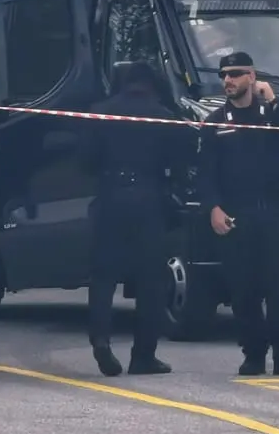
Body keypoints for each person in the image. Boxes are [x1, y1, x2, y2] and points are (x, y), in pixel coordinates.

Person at [78, 60, 197, 377]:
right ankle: (143, 355)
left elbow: (85, 162)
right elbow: (181, 165)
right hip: (149, 200)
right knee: (151, 281)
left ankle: (101, 340)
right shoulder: (165, 117)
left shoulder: (99, 113)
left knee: (103, 277)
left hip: (110, 198)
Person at [197, 51, 279, 376]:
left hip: (274, 213)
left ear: (251, 76)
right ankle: (253, 354)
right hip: (237, 216)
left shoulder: (270, 114)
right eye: (223, 75)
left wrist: (275, 101)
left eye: (235, 74)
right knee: (243, 291)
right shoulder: (216, 123)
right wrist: (213, 208)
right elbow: (206, 173)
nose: (228, 80)